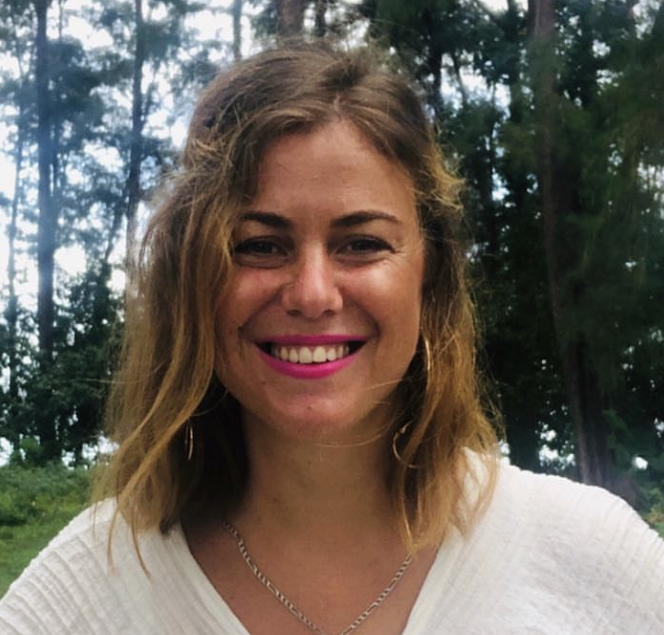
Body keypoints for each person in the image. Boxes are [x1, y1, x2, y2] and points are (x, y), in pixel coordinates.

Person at [1, 40, 662, 635]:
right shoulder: (80, 600)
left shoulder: (597, 564)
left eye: (361, 243)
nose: (313, 293)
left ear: (429, 275)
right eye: (260, 245)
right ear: (190, 282)